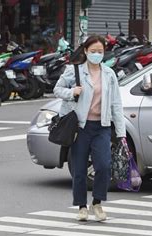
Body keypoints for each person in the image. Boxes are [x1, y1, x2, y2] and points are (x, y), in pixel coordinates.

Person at [54, 35, 126, 221]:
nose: (96, 55)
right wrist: (71, 92)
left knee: (103, 166)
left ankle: (97, 203)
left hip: (101, 126)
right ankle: (81, 206)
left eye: (100, 52)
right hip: (80, 127)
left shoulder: (109, 74)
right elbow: (57, 89)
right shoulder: (75, 70)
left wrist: (120, 133)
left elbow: (116, 104)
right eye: (93, 51)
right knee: (79, 170)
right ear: (85, 51)